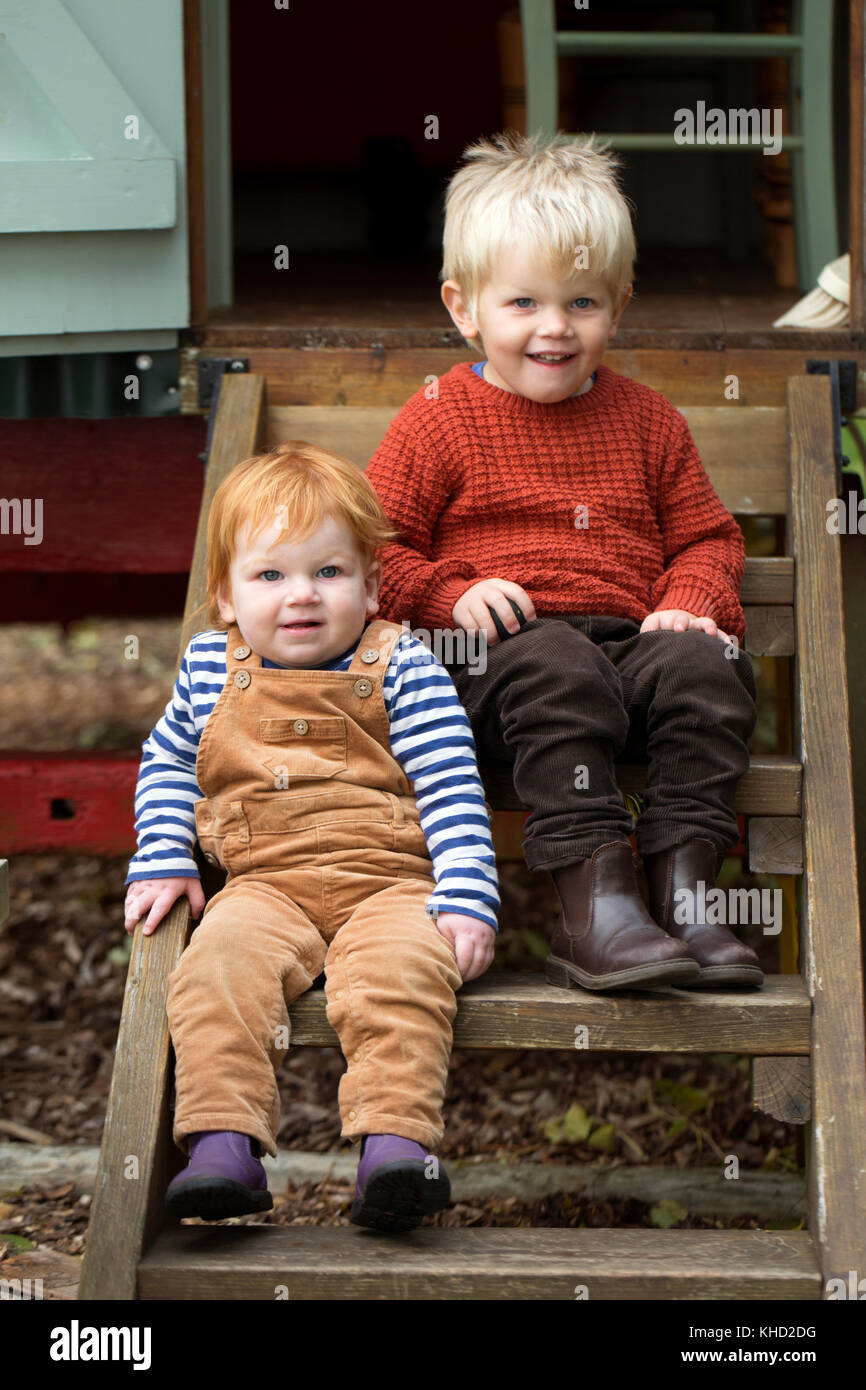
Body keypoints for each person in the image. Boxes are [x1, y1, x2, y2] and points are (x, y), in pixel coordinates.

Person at [364, 129, 763, 995]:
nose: (555, 327)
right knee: (556, 660)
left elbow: (707, 536)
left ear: (618, 304)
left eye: (582, 303)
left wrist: (690, 598)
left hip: (626, 647)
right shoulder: (438, 419)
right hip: (498, 663)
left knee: (707, 668)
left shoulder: (650, 422)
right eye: (524, 304)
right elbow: (371, 548)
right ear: (464, 307)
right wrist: (448, 593)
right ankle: (595, 909)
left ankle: (685, 895)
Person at [122, 442, 499, 1230]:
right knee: (213, 970)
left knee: (403, 975)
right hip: (264, 885)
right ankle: (222, 1143)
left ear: (369, 583)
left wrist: (466, 896)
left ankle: (394, 1148)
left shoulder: (404, 665)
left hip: (390, 884)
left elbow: (451, 781)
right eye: (270, 576)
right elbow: (167, 764)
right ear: (224, 596)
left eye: (329, 572)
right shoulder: (207, 668)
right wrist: (162, 854)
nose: (302, 596)